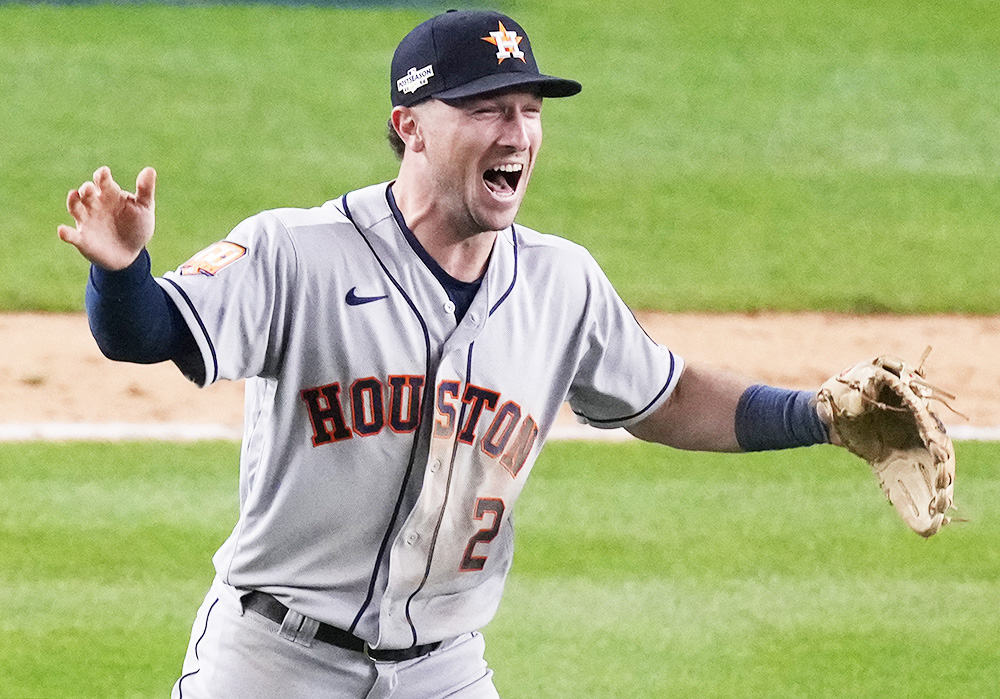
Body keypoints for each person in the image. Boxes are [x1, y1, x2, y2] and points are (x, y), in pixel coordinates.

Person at [58, 9, 834, 699]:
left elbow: (669, 398)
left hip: (443, 669)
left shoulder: (561, 281)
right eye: (489, 109)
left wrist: (820, 416)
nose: (518, 133)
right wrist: (121, 272)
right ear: (410, 126)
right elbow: (147, 333)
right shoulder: (297, 252)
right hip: (273, 661)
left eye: (530, 111)